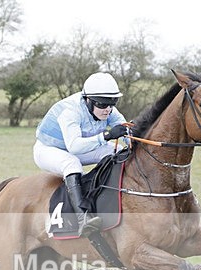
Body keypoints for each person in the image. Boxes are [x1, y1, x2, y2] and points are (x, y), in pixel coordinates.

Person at [34, 72, 130, 235]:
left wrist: (132, 141)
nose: (107, 109)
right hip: (48, 150)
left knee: (116, 152)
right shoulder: (71, 111)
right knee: (71, 163)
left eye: (112, 103)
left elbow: (127, 131)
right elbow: (75, 147)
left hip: (77, 148)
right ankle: (82, 217)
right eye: (102, 104)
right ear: (88, 100)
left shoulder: (108, 109)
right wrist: (106, 135)